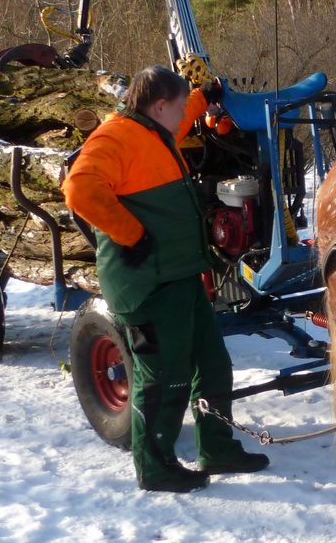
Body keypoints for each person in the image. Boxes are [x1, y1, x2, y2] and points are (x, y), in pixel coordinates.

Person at [63, 65, 269, 492]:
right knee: (165, 378)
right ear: (159, 106)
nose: (182, 119)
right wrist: (131, 234)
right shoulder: (115, 137)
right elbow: (79, 189)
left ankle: (217, 448)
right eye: (176, 109)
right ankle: (155, 468)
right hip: (147, 284)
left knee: (213, 366)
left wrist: (202, 95)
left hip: (181, 276)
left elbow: (186, 112)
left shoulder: (155, 133)